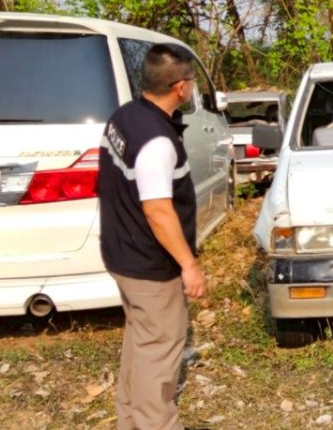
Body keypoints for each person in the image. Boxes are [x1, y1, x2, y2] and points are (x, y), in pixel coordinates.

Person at [99, 43, 207, 430]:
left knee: (141, 344)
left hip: (122, 253)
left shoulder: (124, 116)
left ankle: (130, 421)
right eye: (192, 80)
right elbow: (158, 212)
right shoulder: (156, 142)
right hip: (149, 265)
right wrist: (188, 265)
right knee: (160, 350)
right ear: (181, 87)